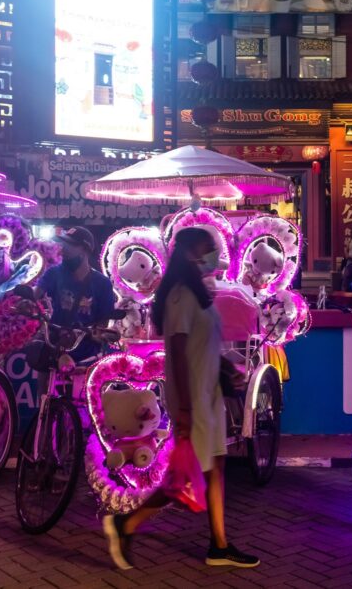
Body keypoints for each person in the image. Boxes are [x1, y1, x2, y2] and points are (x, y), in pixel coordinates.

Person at [103, 227, 259, 571]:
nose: (214, 256)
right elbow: (176, 349)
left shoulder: (198, 294)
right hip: (194, 400)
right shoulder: (179, 296)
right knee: (185, 477)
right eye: (208, 249)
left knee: (215, 467)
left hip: (209, 394)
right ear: (189, 253)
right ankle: (126, 524)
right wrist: (186, 408)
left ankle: (219, 544)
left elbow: (204, 344)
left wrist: (223, 367)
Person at [35, 226, 116, 362]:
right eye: (63, 244)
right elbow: (36, 293)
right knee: (44, 373)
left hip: (88, 354)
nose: (63, 249)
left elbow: (104, 321)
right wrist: (24, 299)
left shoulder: (103, 283)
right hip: (56, 347)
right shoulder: (53, 273)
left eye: (69, 245)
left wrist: (98, 333)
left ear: (84, 250)